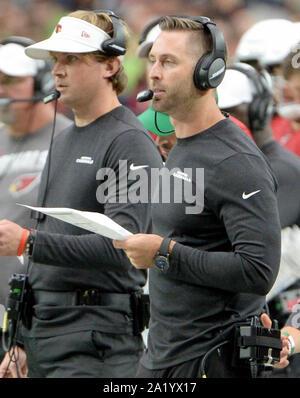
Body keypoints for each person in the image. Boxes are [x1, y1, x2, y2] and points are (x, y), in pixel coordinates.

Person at [113, 15, 281, 378]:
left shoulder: (236, 161)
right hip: (163, 358)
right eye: (153, 61)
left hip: (211, 361)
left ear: (209, 73)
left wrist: (164, 254)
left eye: (169, 62)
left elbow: (258, 270)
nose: (153, 73)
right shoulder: (180, 148)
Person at [0, 10, 163, 378]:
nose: (58, 69)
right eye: (56, 59)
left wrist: (28, 241)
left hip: (97, 342)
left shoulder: (130, 142)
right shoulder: (64, 137)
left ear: (110, 65)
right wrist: (22, 342)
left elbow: (127, 248)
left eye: (72, 59)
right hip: (47, 335)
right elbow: (49, 256)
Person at [217, 63, 300, 377]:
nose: (221, 122)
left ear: (258, 110)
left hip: (280, 326)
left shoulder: (282, 169)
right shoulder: (244, 164)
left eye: (230, 111)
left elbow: (246, 250)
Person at [0, 36, 72, 364]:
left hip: (42, 323)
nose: (2, 90)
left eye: (10, 81)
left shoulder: (68, 141)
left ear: (41, 83)